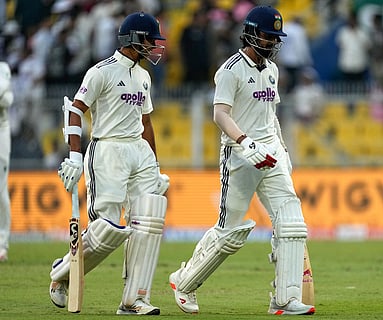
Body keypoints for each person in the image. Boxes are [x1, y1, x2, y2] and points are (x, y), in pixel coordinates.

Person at [168, 6, 315, 316]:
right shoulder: (230, 69)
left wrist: (283, 151)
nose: (273, 42)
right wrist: (244, 141)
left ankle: (285, 299)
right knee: (230, 232)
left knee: (291, 224)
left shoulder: (272, 70)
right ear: (250, 33)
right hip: (239, 155)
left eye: (277, 37)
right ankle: (184, 282)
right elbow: (220, 114)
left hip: (271, 153)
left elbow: (270, 116)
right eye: (268, 36)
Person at [49, 12, 170, 315]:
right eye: (149, 39)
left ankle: (134, 299)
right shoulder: (100, 72)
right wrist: (75, 154)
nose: (154, 46)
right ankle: (62, 274)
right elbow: (76, 111)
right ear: (133, 39)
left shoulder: (144, 76)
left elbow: (146, 121)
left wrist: (154, 164)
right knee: (108, 230)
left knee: (150, 219)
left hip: (138, 150)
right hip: (108, 150)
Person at [0, 62, 14, 262]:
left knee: (0, 187)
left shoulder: (2, 67)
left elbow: (5, 95)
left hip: (0, 132)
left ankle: (1, 243)